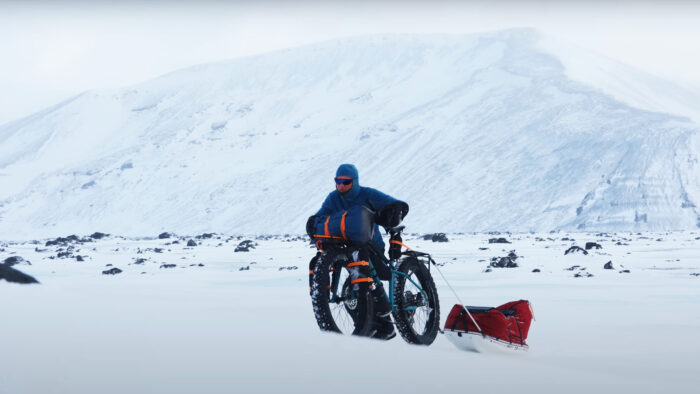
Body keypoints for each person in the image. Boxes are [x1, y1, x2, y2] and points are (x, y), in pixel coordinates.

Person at [312, 163, 408, 340]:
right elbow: (321, 215)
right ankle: (373, 327)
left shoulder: (367, 194)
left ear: (354, 181)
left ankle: (382, 320)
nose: (340, 185)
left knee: (371, 278)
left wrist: (391, 216)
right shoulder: (333, 198)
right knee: (351, 290)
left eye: (345, 182)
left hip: (372, 246)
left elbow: (394, 205)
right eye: (337, 181)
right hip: (346, 246)